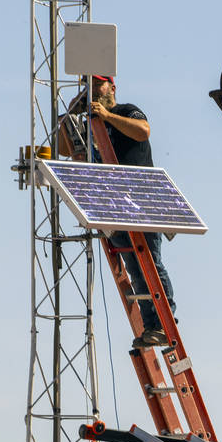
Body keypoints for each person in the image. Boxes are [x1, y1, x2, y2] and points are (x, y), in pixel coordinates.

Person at [59, 75, 175, 348]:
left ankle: (164, 320)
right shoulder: (92, 124)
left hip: (142, 198)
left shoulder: (125, 111)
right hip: (115, 203)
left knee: (150, 261)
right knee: (134, 266)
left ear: (112, 87)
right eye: (89, 86)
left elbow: (143, 131)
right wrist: (70, 117)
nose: (94, 91)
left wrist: (107, 116)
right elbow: (65, 148)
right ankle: (151, 326)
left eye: (98, 85)